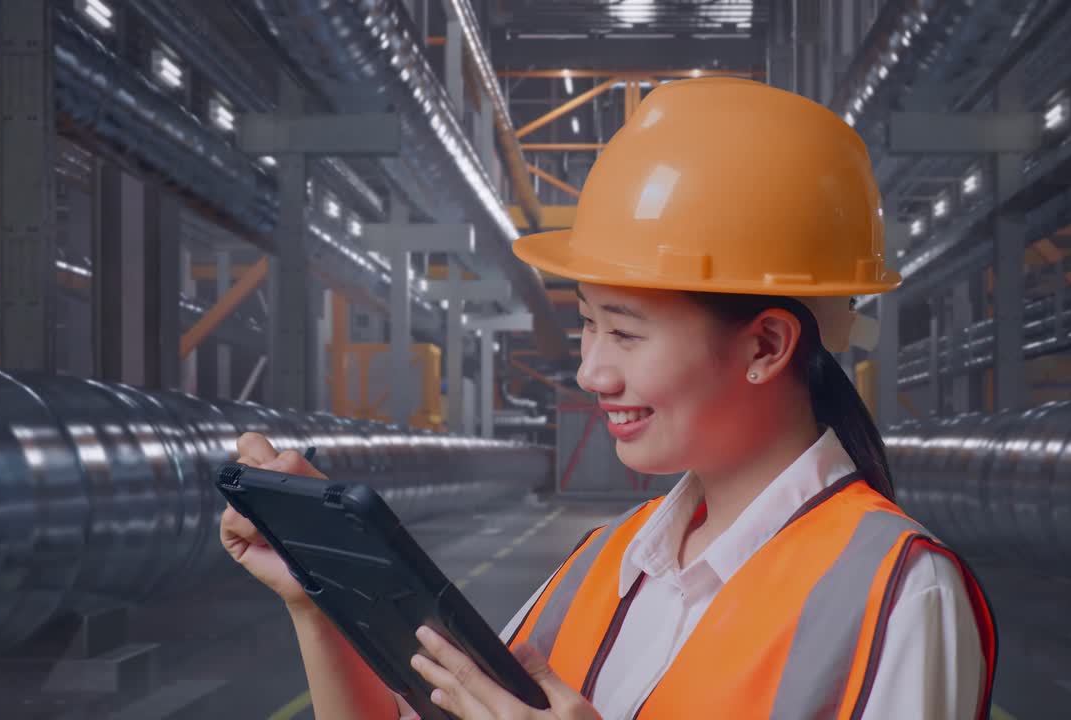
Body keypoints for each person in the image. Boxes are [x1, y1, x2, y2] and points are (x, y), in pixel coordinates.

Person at [222, 77, 997, 719]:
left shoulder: (896, 593)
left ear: (766, 346)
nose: (593, 372)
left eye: (625, 335)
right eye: (588, 326)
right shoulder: (609, 566)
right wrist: (318, 599)